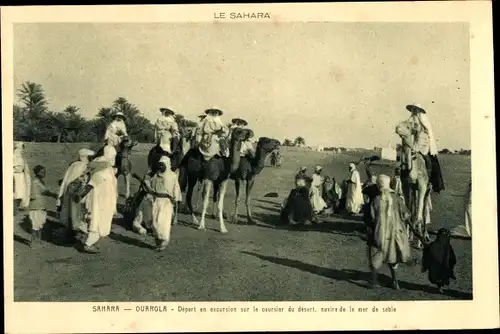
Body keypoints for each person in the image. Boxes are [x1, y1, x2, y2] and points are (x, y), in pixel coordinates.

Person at [369, 174, 411, 289]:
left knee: (375, 256)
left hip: (380, 234)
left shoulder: (376, 200)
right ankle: (395, 281)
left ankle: (373, 282)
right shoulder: (397, 198)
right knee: (393, 259)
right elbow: (406, 215)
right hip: (395, 234)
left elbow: (371, 218)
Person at [75, 145, 118, 254]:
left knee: (96, 219)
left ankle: (90, 241)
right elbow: (93, 182)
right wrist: (80, 195)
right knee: (98, 220)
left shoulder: (100, 163)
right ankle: (88, 244)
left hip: (101, 197)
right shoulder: (104, 167)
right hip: (101, 199)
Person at [56, 148, 95, 241]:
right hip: (77, 194)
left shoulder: (74, 165)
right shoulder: (81, 166)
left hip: (69, 193)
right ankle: (76, 235)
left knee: (71, 214)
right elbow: (79, 181)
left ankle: (71, 234)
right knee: (77, 215)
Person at [406, 104, 445, 193]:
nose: (413, 111)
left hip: (423, 145)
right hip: (414, 143)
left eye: (415, 109)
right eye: (412, 109)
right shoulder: (411, 119)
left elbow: (426, 135)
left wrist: (422, 147)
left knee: (429, 161)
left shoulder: (423, 120)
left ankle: (429, 182)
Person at [150, 156, 182, 251]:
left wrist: (175, 199)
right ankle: (158, 241)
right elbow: (152, 186)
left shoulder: (172, 175)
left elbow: (176, 188)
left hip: (166, 202)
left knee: (163, 222)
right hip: (157, 200)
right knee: (155, 222)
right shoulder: (156, 175)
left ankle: (164, 242)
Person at [26, 165, 58, 247]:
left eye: (44, 172)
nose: (44, 173)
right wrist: (55, 195)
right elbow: (45, 191)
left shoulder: (39, 181)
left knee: (39, 224)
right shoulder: (36, 182)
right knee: (35, 225)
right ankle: (33, 242)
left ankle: (38, 241)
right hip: (36, 206)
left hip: (40, 205)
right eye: (42, 172)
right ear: (37, 172)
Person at [421, 228, 457, 294]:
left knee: (443, 275)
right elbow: (427, 256)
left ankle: (440, 286)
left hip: (444, 265)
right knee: (438, 276)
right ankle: (439, 286)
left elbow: (452, 258)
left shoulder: (448, 247)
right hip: (436, 267)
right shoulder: (432, 246)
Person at [13, 141, 31, 215]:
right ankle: (14, 209)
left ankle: (18, 207)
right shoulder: (15, 156)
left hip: (21, 176)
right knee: (17, 193)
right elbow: (17, 168)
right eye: (21, 148)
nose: (22, 150)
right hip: (17, 176)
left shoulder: (20, 156)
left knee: (21, 193)